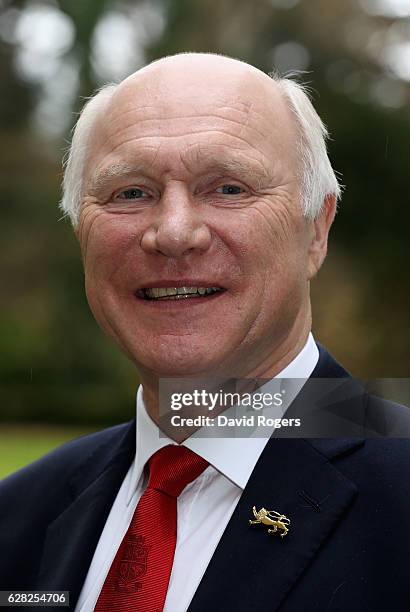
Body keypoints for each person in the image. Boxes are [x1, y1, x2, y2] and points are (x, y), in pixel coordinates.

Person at [1, 53, 409, 612]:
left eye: (229, 189)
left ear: (316, 229)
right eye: (130, 193)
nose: (173, 233)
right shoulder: (19, 516)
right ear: (81, 236)